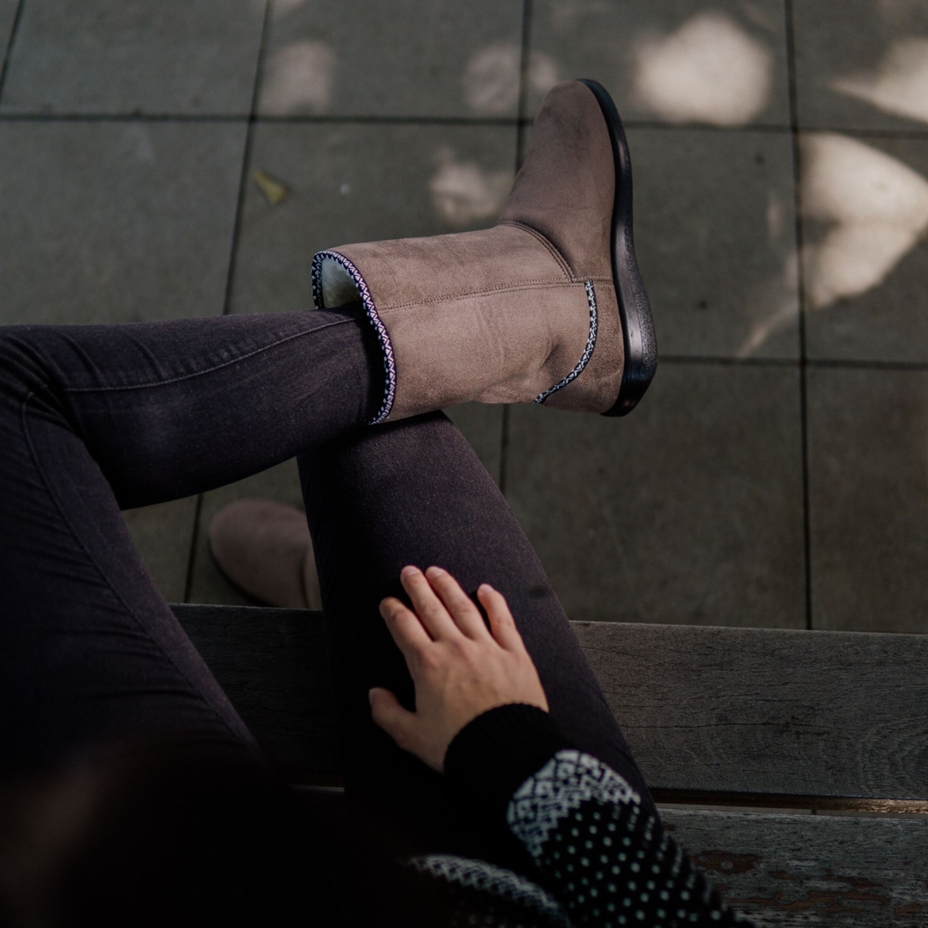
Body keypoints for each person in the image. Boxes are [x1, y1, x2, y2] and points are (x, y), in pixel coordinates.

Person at [0, 80, 750, 926]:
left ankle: (548, 308)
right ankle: (555, 307)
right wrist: (504, 744)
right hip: (505, 872)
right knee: (370, 424)